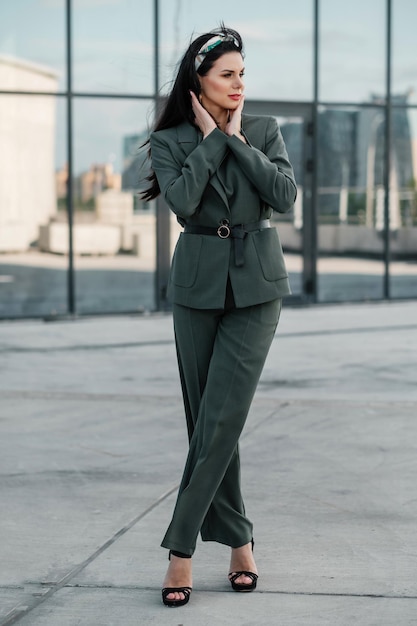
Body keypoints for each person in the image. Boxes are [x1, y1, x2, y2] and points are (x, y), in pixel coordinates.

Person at [142, 25, 297, 608]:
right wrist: (210, 139)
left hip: (257, 285)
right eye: (227, 75)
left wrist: (234, 141)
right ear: (199, 82)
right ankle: (239, 541)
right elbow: (182, 202)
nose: (239, 85)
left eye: (242, 74)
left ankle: (181, 549)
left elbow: (283, 195)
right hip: (197, 287)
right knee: (208, 421)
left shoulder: (264, 130)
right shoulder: (171, 140)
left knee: (224, 416)